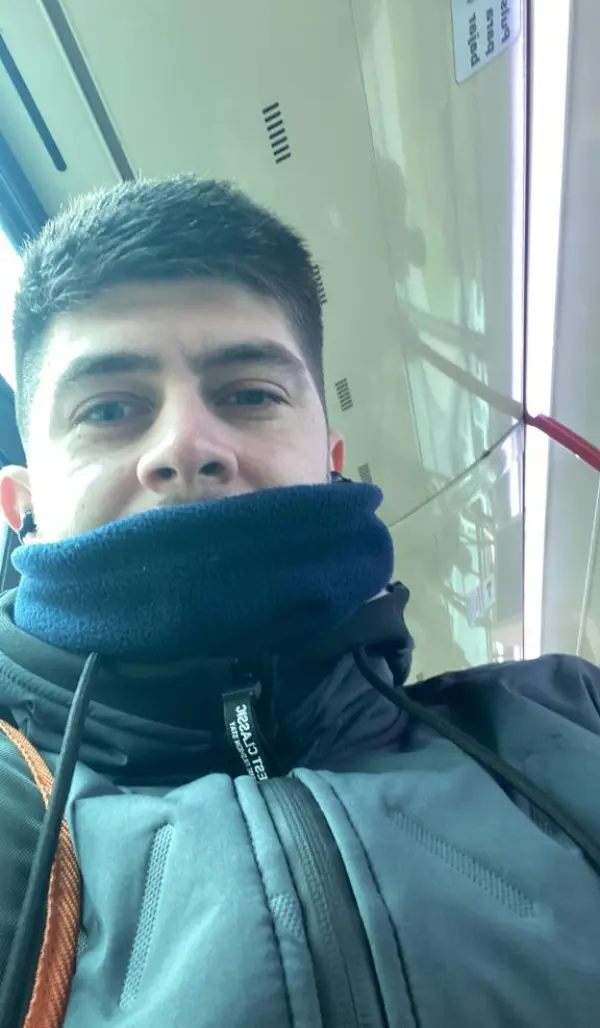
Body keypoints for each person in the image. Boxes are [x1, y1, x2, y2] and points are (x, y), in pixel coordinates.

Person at [0, 176, 597, 1028]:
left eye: (249, 394)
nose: (186, 444)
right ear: (22, 506)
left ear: (331, 460)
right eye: (110, 408)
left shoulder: (574, 724)